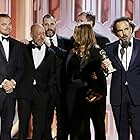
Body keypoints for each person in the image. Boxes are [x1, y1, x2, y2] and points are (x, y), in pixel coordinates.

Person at [65, 23, 107, 140]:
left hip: (95, 94)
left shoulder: (97, 51)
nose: (73, 35)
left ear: (83, 34)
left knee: (98, 125)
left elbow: (100, 73)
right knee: (82, 127)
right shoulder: (73, 51)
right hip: (79, 93)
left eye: (76, 32)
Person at [16, 23, 56, 140]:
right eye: (38, 34)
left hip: (42, 94)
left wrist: (48, 93)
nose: (41, 36)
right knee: (23, 124)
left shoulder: (51, 53)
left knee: (39, 125)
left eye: (43, 33)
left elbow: (52, 75)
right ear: (31, 35)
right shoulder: (23, 48)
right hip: (24, 93)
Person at [103, 16, 140, 140]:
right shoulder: (109, 48)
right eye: (120, 30)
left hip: (137, 97)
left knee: (138, 133)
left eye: (126, 29)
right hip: (118, 97)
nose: (124, 33)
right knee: (122, 135)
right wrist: (104, 69)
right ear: (115, 32)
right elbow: (106, 72)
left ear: (131, 29)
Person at [42, 14, 71, 140]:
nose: (49, 27)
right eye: (46, 24)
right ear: (42, 25)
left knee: (63, 121)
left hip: (62, 89)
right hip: (43, 89)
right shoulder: (36, 42)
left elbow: (69, 59)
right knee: (44, 121)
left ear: (56, 24)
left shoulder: (67, 42)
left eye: (51, 24)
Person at [0, 14, 24, 140]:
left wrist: (13, 83)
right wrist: (3, 82)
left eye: (9, 24)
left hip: (10, 94)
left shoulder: (18, 45)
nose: (8, 27)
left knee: (6, 129)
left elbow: (21, 69)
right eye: (4, 24)